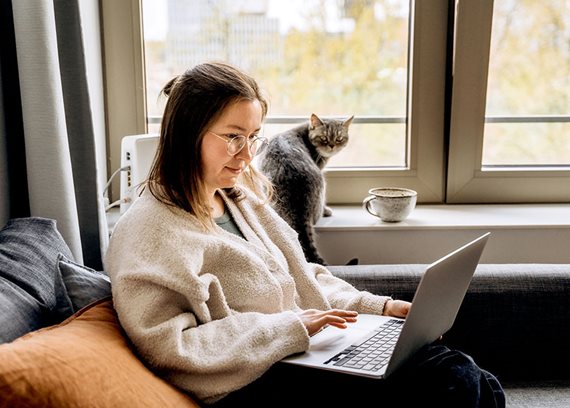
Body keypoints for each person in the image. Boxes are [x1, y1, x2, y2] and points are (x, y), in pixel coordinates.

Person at [105, 62, 505, 407]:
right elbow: (169, 347)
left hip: (303, 355)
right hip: (252, 383)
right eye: (232, 137)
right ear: (187, 133)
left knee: (470, 379)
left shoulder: (240, 200)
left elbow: (301, 275)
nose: (247, 156)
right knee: (456, 380)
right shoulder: (149, 232)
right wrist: (289, 328)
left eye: (253, 136)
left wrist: (373, 307)